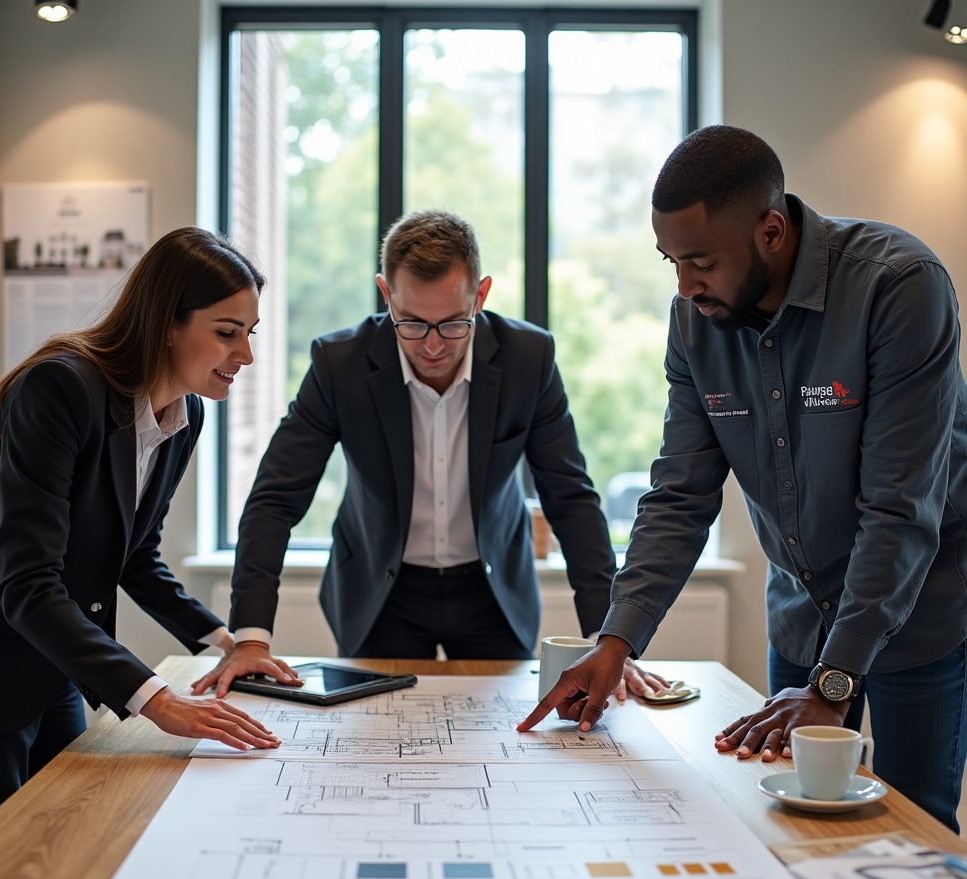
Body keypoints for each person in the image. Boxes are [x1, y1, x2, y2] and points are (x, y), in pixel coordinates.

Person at [519, 125, 967, 833]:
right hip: (800, 614)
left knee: (916, 828)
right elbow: (679, 495)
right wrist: (616, 641)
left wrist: (833, 683)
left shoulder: (898, 286)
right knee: (793, 822)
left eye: (701, 261)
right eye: (671, 261)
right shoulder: (694, 322)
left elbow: (899, 507)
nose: (684, 286)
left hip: (919, 615)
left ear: (771, 231)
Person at [194, 209, 666, 699]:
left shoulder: (529, 359)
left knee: (504, 731)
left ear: (480, 296)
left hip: (492, 592)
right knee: (376, 730)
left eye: (454, 323)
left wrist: (609, 641)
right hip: (380, 593)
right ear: (386, 295)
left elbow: (571, 500)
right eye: (413, 324)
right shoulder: (340, 364)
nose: (435, 345)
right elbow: (276, 499)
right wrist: (250, 638)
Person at [0, 226, 281, 852]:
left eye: (249, 334)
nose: (245, 356)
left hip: (52, 659)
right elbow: (28, 584)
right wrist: (159, 701)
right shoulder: (59, 388)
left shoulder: (185, 413)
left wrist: (229, 644)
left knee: (61, 837)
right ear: (166, 323)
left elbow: (136, 555)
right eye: (226, 333)